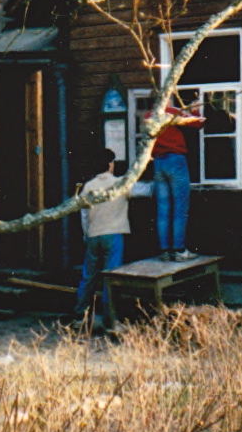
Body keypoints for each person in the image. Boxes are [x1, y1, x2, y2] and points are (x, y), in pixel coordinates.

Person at [74, 148, 133, 332]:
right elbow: (145, 190)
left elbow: (84, 215)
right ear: (110, 165)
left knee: (88, 277)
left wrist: (87, 234)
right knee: (111, 278)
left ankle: (80, 317)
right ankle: (111, 321)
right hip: (114, 234)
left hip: (93, 235)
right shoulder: (121, 183)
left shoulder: (88, 186)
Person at [147, 95, 205, 262]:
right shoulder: (172, 112)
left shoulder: (149, 115)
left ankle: (165, 251)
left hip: (158, 162)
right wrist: (195, 110)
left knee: (163, 208)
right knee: (180, 206)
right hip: (175, 161)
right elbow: (198, 123)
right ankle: (179, 250)